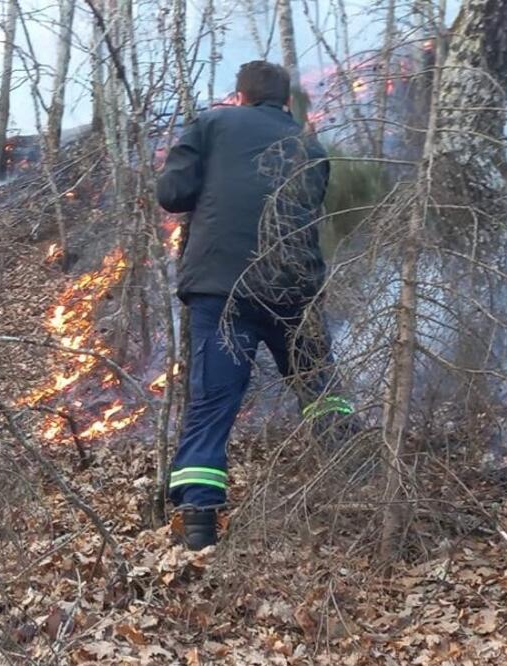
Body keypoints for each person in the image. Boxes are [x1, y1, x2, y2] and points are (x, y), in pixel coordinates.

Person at [157, 60, 357, 550]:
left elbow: (171, 194)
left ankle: (200, 522)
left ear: (240, 96)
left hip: (224, 290)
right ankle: (364, 484)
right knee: (320, 390)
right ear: (286, 101)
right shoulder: (310, 146)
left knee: (212, 405)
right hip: (294, 290)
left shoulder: (212, 123)